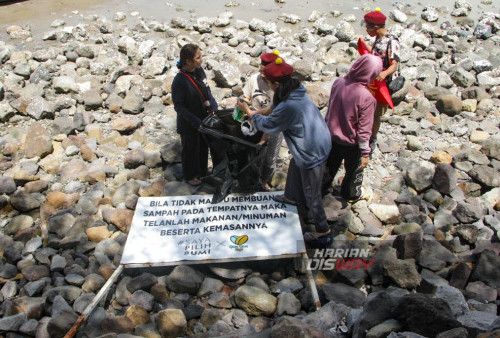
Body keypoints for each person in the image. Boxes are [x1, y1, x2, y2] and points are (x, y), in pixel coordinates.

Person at [237, 58, 332, 245]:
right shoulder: (294, 90)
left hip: (312, 149)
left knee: (312, 193)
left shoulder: (290, 105)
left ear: (277, 83)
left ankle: (324, 232)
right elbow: (272, 108)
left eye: (269, 83)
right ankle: (291, 197)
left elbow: (269, 125)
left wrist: (248, 111)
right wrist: (256, 112)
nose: (267, 85)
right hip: (308, 142)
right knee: (295, 164)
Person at [322, 54, 383, 201]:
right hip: (352, 145)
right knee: (353, 171)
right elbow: (364, 129)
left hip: (331, 137)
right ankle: (350, 194)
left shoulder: (338, 83)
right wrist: (365, 153)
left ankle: (319, 192)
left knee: (328, 169)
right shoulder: (367, 98)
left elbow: (330, 109)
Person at [171, 44, 226, 186]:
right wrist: (195, 122)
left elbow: (207, 91)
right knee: (190, 149)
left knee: (203, 146)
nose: (201, 60)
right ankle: (190, 175)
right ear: (188, 61)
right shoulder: (179, 81)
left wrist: (213, 106)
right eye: (198, 57)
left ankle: (202, 171)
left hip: (204, 119)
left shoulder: (199, 70)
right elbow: (179, 107)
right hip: (189, 123)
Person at [359, 8, 401, 154]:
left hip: (383, 84)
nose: (366, 29)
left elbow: (394, 64)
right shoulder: (378, 39)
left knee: (376, 113)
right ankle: (363, 131)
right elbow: (377, 54)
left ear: (376, 27)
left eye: (368, 27)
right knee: (366, 108)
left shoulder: (392, 41)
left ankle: (372, 138)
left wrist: (384, 73)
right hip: (373, 80)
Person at [242, 50, 284, 191]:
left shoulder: (280, 85)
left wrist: (254, 113)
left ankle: (265, 180)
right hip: (254, 123)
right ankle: (252, 179)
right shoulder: (254, 79)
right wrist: (245, 104)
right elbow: (246, 97)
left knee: (270, 156)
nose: (263, 76)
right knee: (253, 154)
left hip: (274, 125)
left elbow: (275, 111)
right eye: (262, 72)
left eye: (266, 74)